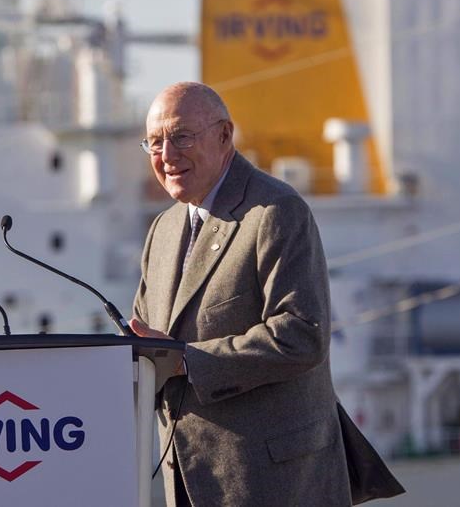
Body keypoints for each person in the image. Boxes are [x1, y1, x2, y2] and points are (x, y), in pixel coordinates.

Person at [131, 82, 403, 506]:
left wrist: (187, 360)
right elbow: (147, 343)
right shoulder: (162, 231)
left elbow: (301, 334)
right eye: (154, 142)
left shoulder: (276, 211)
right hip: (190, 484)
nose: (167, 156)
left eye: (181, 136)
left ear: (224, 135)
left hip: (276, 484)